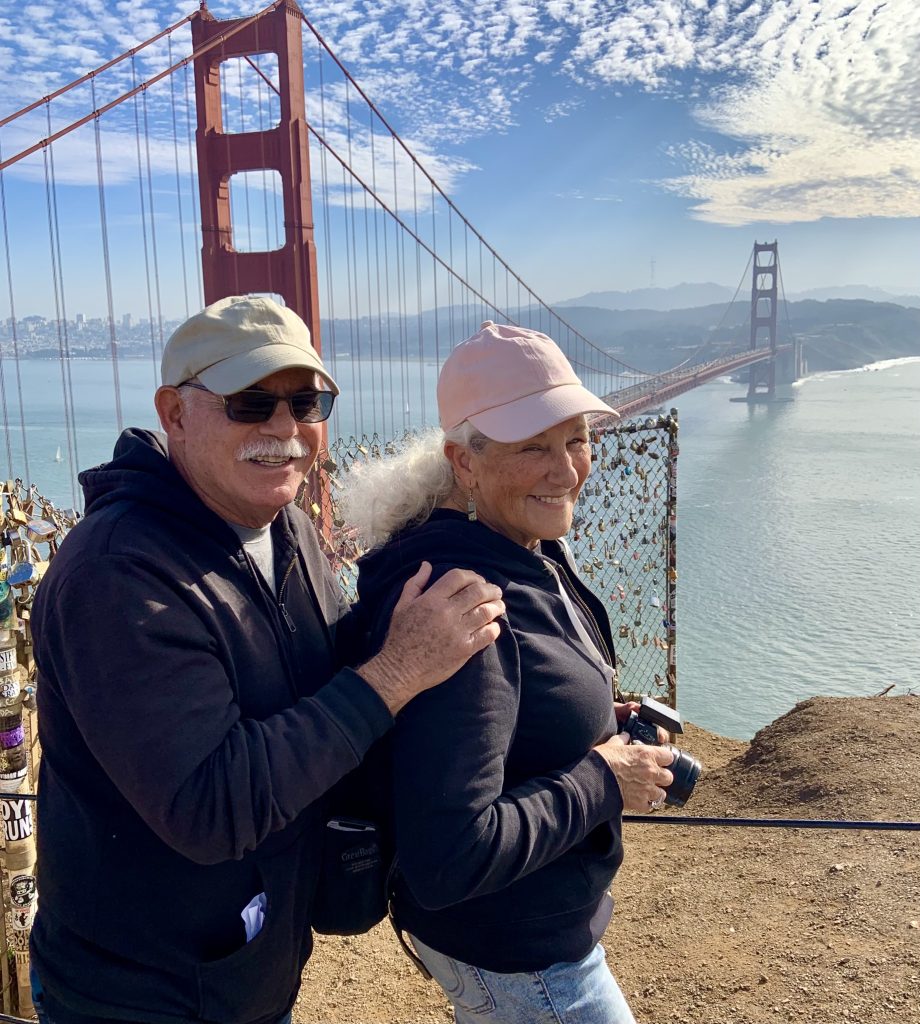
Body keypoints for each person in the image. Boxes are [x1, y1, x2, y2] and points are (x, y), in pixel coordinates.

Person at [29, 296, 505, 1024]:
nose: (284, 430)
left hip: (242, 972)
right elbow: (211, 804)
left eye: (305, 401)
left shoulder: (280, 524)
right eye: (251, 403)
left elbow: (330, 666)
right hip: (140, 996)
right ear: (175, 413)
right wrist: (398, 671)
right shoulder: (116, 576)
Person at [345, 321, 675, 1024]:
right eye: (533, 447)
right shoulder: (465, 607)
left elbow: (497, 723)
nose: (567, 470)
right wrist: (603, 779)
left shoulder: (520, 548)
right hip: (530, 967)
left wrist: (589, 726)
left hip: (518, 950)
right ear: (463, 463)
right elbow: (450, 857)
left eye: (576, 439)